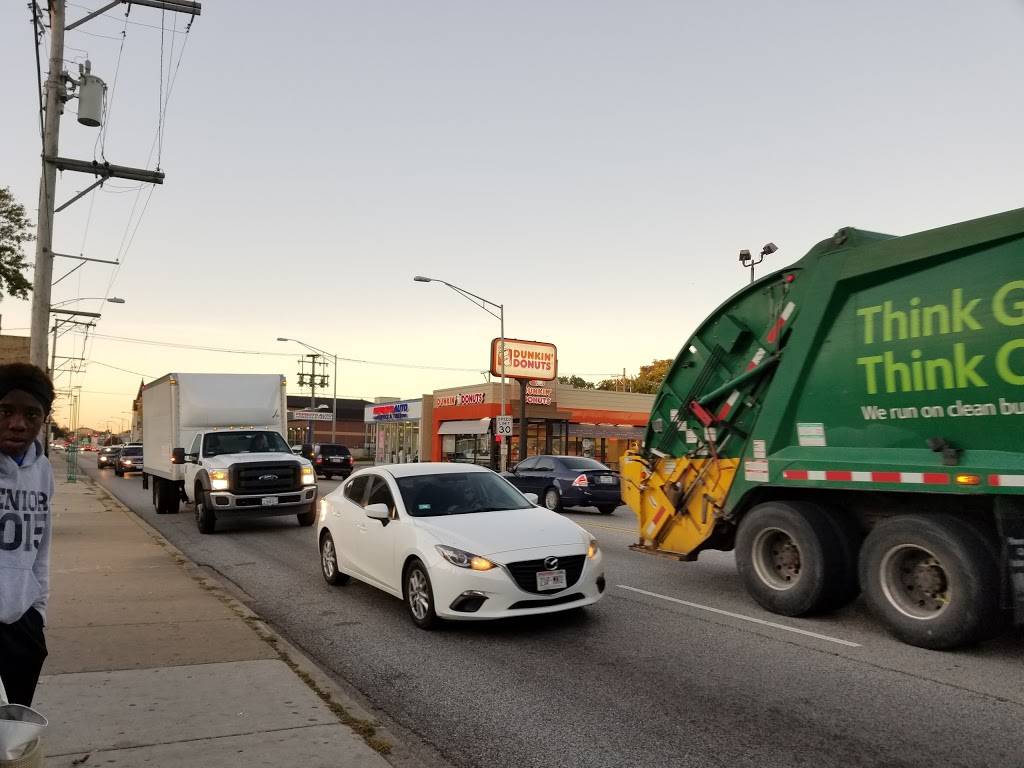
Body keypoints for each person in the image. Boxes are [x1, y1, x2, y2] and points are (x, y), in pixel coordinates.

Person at [0, 363, 54, 706]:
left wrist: (38, 612)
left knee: (11, 739)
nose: (18, 423)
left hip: (22, 626)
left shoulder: (43, 469)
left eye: (31, 414)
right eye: (6, 410)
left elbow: (42, 548)